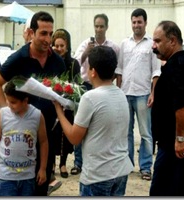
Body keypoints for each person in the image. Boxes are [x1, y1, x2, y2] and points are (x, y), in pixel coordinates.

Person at [0, 11, 66, 196]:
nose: (48, 39)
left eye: (50, 33)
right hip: (20, 137)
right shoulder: (18, 58)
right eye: (43, 33)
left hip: (45, 133)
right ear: (31, 33)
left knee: (41, 185)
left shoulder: (58, 62)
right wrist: (7, 110)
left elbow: (62, 91)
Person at [53, 46, 133, 196]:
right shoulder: (121, 94)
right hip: (121, 170)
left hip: (98, 175)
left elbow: (74, 138)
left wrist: (59, 111)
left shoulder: (90, 98)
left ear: (93, 71)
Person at [115, 8, 161, 181]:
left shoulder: (152, 45)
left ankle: (145, 167)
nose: (136, 25)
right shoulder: (124, 44)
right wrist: (119, 91)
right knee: (125, 133)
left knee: (145, 133)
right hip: (125, 94)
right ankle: (126, 165)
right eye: (134, 22)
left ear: (145, 23)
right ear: (131, 23)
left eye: (139, 22)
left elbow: (156, 71)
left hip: (143, 94)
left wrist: (153, 93)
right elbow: (119, 69)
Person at [72, 13, 120, 176]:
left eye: (101, 26)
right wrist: (87, 52)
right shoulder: (86, 44)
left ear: (107, 27)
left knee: (101, 125)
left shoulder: (113, 46)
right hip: (86, 86)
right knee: (80, 124)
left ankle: (101, 159)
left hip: (106, 87)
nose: (98, 29)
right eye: (96, 26)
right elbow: (76, 63)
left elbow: (118, 67)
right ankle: (78, 162)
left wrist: (110, 82)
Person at [149, 21, 184, 196]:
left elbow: (183, 106)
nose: (154, 46)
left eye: (158, 41)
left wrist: (180, 139)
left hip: (174, 147)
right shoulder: (181, 63)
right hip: (173, 145)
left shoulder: (178, 67)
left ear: (172, 41)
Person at [0, 78, 48, 196]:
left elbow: (43, 142)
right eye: (7, 100)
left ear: (25, 100)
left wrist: (42, 169)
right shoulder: (2, 114)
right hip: (6, 176)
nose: (9, 105)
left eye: (13, 102)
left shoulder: (37, 115)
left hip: (28, 176)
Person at [51, 28, 80, 178]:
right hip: (52, 103)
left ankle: (63, 164)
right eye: (57, 45)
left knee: (65, 134)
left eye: (62, 46)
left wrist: (69, 92)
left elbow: (77, 84)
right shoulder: (49, 61)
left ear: (67, 46)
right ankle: (53, 164)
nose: (59, 49)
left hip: (68, 105)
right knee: (52, 134)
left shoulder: (74, 63)